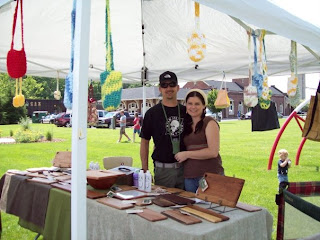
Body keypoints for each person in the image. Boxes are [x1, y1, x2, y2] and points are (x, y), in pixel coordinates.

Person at [140, 71, 186, 189]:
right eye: (164, 85)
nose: (168, 88)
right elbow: (145, 142)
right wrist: (145, 170)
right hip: (163, 171)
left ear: (178, 87)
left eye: (172, 84)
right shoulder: (152, 113)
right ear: (160, 89)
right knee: (164, 205)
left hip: (186, 170)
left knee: (186, 205)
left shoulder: (187, 111)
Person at [175, 89, 224, 193]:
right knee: (192, 208)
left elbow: (213, 152)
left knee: (211, 208)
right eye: (190, 104)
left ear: (204, 106)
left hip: (209, 176)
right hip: (189, 177)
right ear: (185, 105)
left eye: (197, 104)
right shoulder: (186, 125)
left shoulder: (209, 122)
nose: (193, 107)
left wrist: (187, 154)